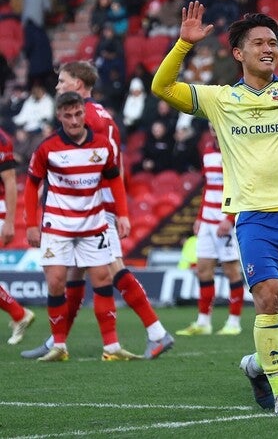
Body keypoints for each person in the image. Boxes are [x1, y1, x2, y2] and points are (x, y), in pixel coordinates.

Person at [152, 0, 278, 417]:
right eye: (258, 43)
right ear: (238, 53)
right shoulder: (220, 100)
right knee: (268, 295)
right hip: (254, 216)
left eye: (273, 42)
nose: (268, 49)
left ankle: (258, 366)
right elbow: (162, 86)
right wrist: (183, 44)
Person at [21, 62, 174, 361]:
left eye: (63, 81)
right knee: (75, 276)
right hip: (96, 201)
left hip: (95, 203)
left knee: (112, 269)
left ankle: (156, 332)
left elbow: (97, 164)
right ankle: (56, 341)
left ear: (78, 84)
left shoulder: (84, 116)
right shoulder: (102, 113)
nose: (58, 86)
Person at [24, 91, 141, 362]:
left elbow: (114, 179)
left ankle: (111, 347)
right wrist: (30, 224)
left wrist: (122, 215)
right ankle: (59, 346)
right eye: (68, 116)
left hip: (93, 223)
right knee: (56, 282)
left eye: (78, 114)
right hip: (58, 224)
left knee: (103, 278)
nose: (75, 121)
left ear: (84, 113)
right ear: (59, 116)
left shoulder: (102, 145)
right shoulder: (47, 147)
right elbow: (31, 185)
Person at [176, 128, 245, 337]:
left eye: (217, 127)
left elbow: (240, 188)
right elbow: (208, 186)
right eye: (212, 128)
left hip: (225, 221)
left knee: (231, 271)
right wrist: (200, 217)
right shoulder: (207, 150)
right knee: (203, 270)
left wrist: (230, 218)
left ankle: (234, 322)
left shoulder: (234, 150)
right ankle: (203, 322)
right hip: (207, 220)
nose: (215, 132)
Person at [0, 128, 35, 345]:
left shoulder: (1, 139)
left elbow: (10, 180)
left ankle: (19, 314)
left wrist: (9, 222)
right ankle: (19, 314)